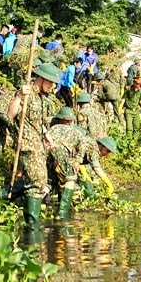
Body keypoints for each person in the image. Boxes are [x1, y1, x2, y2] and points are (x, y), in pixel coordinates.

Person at [7, 62, 61, 227]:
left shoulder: (42, 98)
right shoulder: (27, 92)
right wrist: (19, 97)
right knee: (36, 182)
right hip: (28, 144)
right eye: (50, 82)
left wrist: (46, 134)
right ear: (42, 79)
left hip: (38, 143)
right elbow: (10, 114)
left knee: (40, 181)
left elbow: (36, 121)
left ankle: (32, 220)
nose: (52, 86)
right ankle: (32, 224)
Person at [46, 106, 117, 219]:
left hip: (49, 150)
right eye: (107, 151)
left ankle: (53, 208)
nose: (107, 154)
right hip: (60, 153)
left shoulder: (57, 128)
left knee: (52, 182)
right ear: (101, 146)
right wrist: (108, 183)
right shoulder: (93, 147)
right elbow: (96, 168)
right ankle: (62, 213)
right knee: (70, 180)